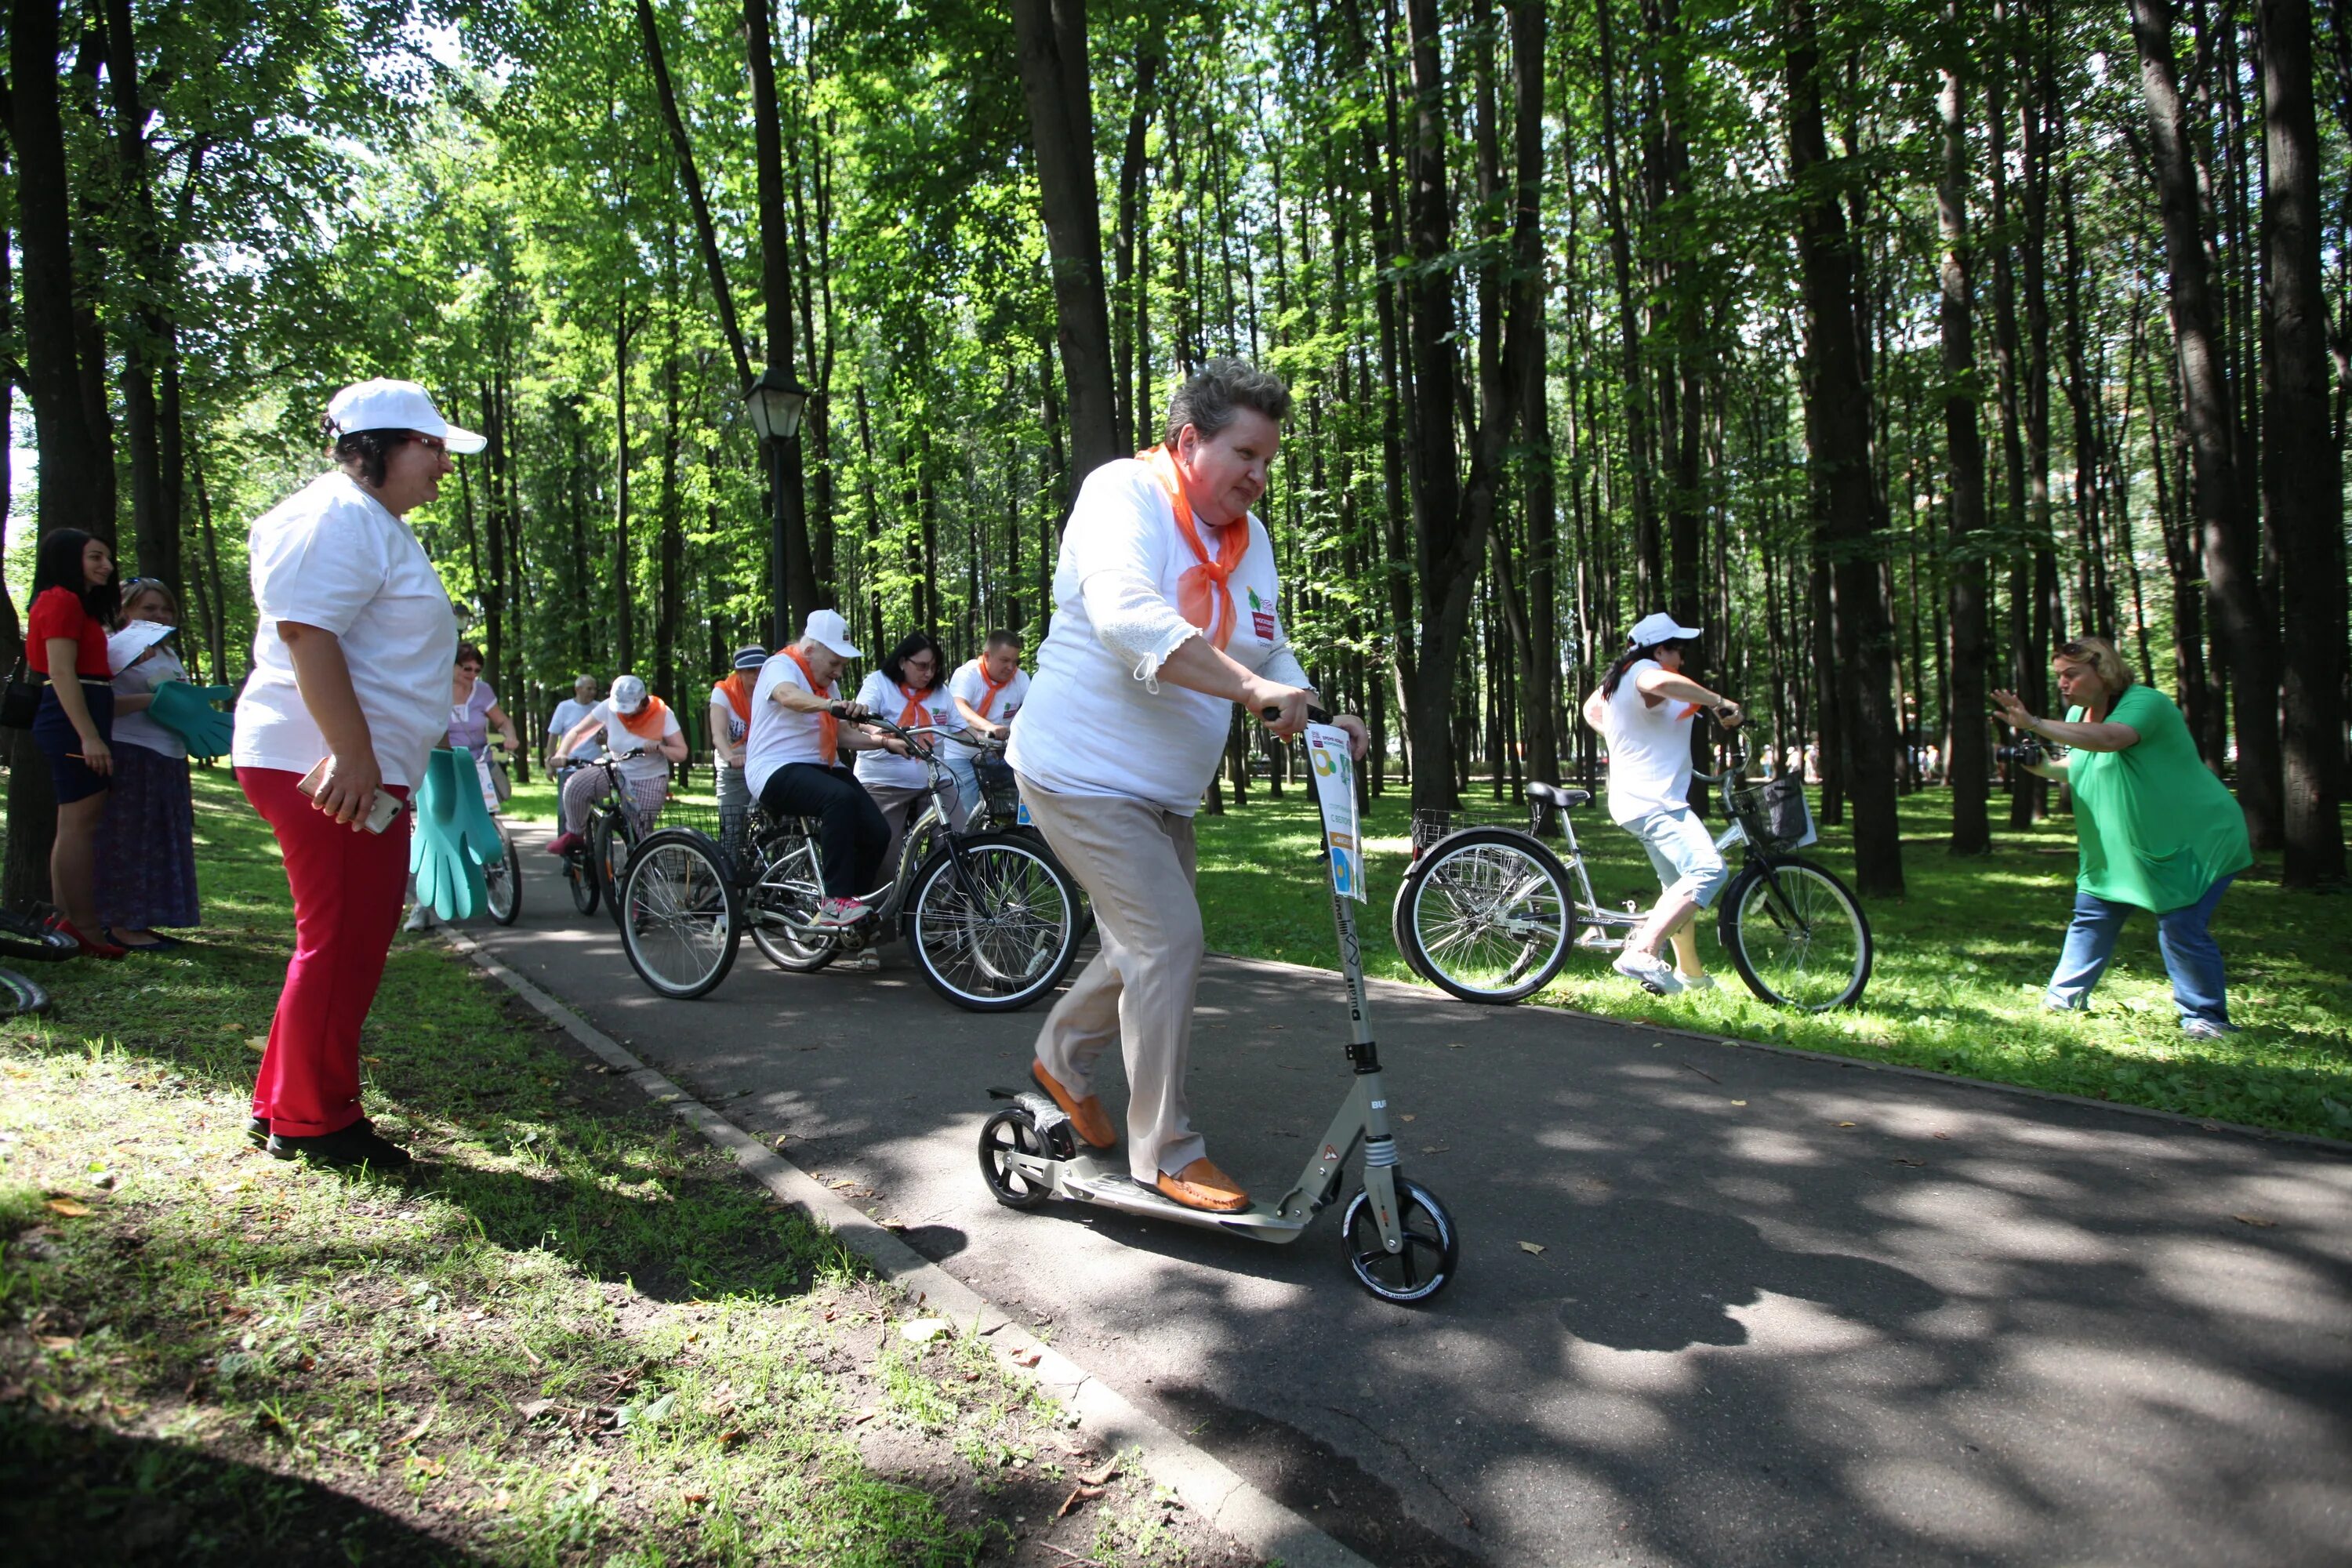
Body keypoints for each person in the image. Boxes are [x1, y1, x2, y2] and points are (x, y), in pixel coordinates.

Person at [1007, 359, 1367, 1215]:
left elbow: (1270, 649)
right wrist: (1247, 691)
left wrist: (1315, 709)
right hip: (1080, 770)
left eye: (1269, 459)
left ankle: (1060, 1057)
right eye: (1246, 452)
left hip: (1164, 789)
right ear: (1188, 441)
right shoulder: (1121, 495)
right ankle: (1165, 1149)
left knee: (1147, 944)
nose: (1259, 474)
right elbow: (1127, 611)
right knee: (1168, 941)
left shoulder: (1252, 540)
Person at [231, 377, 476, 1169]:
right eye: (431, 446)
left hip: (341, 762)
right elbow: (306, 629)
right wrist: (356, 751)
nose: (444, 464)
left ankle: (283, 1102)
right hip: (328, 765)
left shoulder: (369, 521)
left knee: (340, 942)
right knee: (342, 943)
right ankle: (316, 1121)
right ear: (376, 447)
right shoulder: (335, 516)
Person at [1994, 636, 2251, 1039]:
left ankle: (2205, 1018)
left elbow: (2112, 740)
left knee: (2181, 925)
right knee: (2092, 917)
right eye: (2059, 676)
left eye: (2072, 674)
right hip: (2119, 853)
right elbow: (2078, 764)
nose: (2063, 684)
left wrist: (2035, 724)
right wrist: (2038, 764)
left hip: (2195, 838)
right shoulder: (2081, 712)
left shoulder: (2145, 703)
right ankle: (2064, 1000)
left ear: (2104, 669)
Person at [1579, 613, 1744, 996]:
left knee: (1677, 888)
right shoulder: (1644, 670)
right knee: (1708, 869)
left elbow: (1591, 711)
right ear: (1659, 650)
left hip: (1640, 800)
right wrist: (1718, 700)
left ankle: (1692, 976)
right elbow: (1658, 680)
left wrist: (1624, 735)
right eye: (1679, 651)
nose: (1682, 660)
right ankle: (1643, 950)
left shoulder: (1619, 679)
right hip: (1655, 801)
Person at [742, 609, 905, 927]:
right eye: (835, 663)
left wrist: (888, 743)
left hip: (819, 768)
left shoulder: (828, 687)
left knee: (878, 831)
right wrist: (832, 706)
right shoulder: (781, 666)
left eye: (843, 666)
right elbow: (788, 696)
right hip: (774, 769)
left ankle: (850, 910)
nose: (839, 673)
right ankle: (835, 904)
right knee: (839, 798)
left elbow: (843, 734)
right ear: (809, 650)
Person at [26, 529, 125, 957]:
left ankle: (67, 922)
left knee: (74, 824)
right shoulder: (60, 600)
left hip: (82, 713)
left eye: (107, 558)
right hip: (72, 719)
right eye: (95, 558)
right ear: (69, 560)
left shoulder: (73, 606)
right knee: (80, 824)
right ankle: (85, 927)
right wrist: (89, 736)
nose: (107, 566)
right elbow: (61, 673)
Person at [96, 579, 200, 949]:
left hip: (169, 755)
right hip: (133, 752)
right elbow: (98, 702)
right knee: (131, 840)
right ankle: (121, 925)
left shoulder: (167, 654)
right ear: (126, 610)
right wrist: (154, 701)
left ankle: (144, 919)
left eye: (165, 609)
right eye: (149, 609)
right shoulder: (115, 648)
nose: (159, 616)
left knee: (158, 840)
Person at [405, 643, 522, 931]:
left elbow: (503, 720)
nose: (472, 674)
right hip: (442, 763)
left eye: (477, 670)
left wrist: (510, 736)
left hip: (477, 763)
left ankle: (492, 875)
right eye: (466, 668)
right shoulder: (436, 688)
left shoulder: (482, 692)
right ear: (453, 667)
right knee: (437, 827)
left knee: (487, 820)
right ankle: (422, 907)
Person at [543, 673, 686, 857]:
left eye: (629, 709)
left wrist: (660, 748)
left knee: (640, 834)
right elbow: (578, 732)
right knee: (575, 786)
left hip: (649, 778)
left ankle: (642, 876)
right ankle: (575, 835)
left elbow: (681, 753)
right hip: (616, 769)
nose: (624, 714)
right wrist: (562, 753)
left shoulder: (662, 713)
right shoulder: (609, 707)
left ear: (643, 702)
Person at [854, 630, 959, 855]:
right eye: (922, 666)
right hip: (883, 781)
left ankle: (944, 888)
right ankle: (887, 890)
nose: (929, 673)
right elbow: (861, 720)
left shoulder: (941, 692)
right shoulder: (878, 683)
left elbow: (960, 728)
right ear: (903, 662)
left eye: (934, 666)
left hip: (933, 780)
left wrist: (983, 739)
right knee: (883, 853)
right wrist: (883, 734)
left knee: (958, 839)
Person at [940, 629, 1029, 819]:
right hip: (960, 755)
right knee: (965, 814)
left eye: (1015, 662)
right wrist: (989, 727)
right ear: (987, 656)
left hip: (995, 756)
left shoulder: (1020, 678)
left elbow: (1034, 710)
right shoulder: (968, 674)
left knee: (1011, 809)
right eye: (1005, 660)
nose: (1010, 667)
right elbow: (958, 707)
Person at [709, 645, 767, 870]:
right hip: (734, 767)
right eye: (750, 669)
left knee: (773, 824)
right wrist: (730, 756)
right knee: (732, 830)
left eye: (760, 669)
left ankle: (765, 877)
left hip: (763, 764)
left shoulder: (771, 691)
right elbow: (717, 734)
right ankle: (728, 888)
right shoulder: (724, 693)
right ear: (738, 672)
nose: (756, 674)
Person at [544, 673, 604, 775]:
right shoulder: (564, 707)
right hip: (569, 765)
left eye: (595, 689)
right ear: (578, 689)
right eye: (589, 689)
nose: (593, 692)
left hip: (594, 765)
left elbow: (608, 733)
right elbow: (553, 736)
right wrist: (550, 763)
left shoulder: (600, 707)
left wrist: (604, 737)